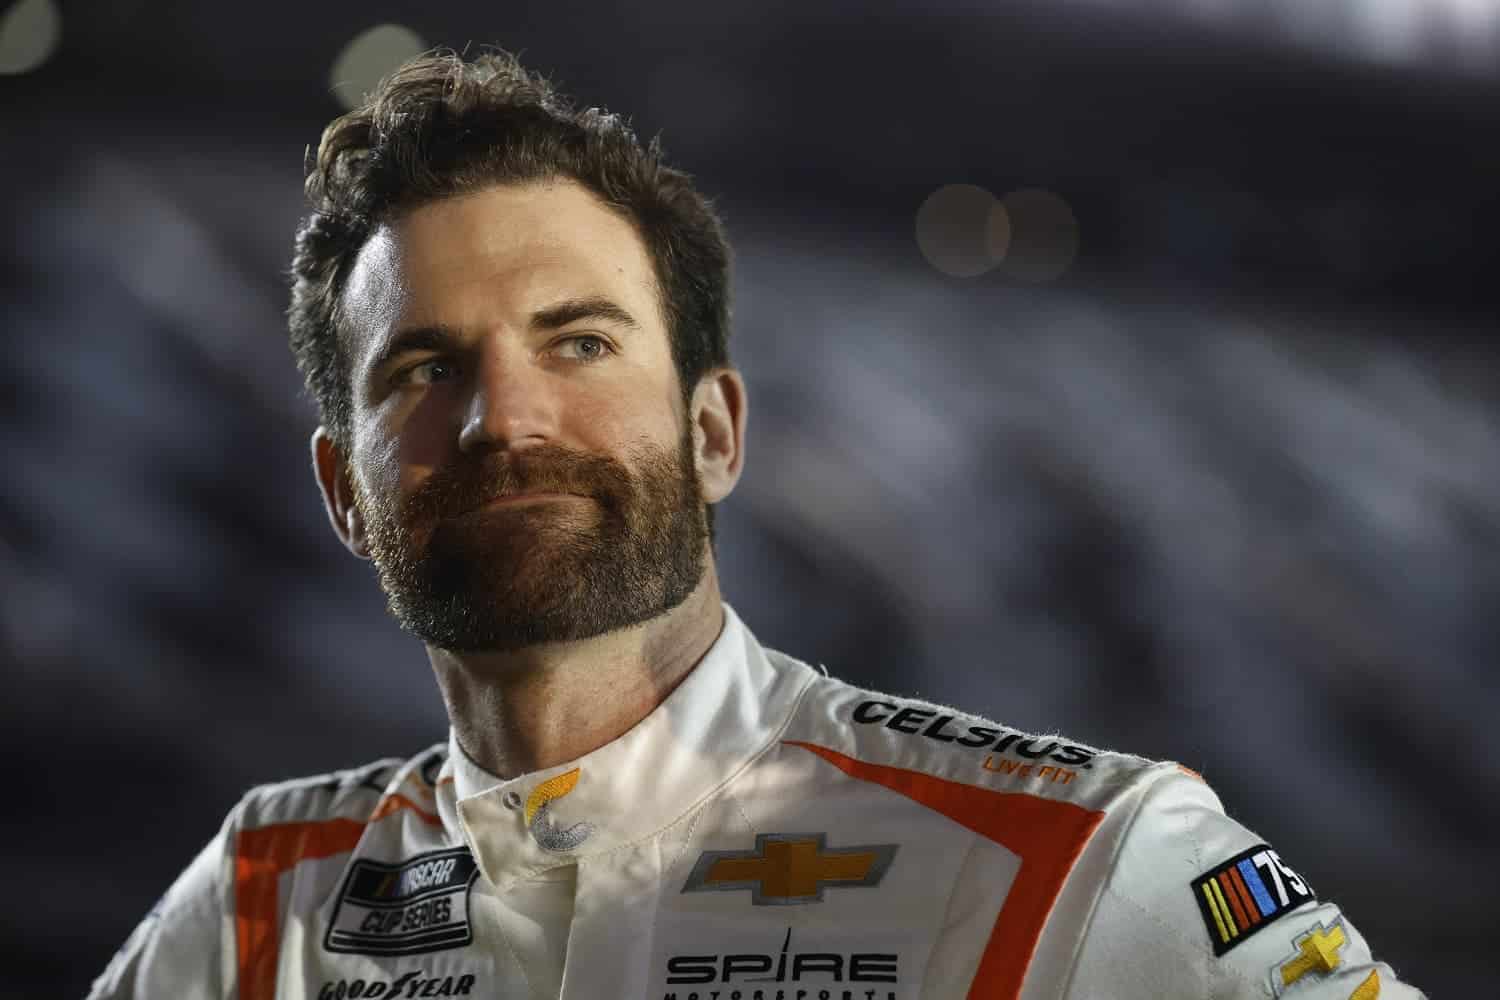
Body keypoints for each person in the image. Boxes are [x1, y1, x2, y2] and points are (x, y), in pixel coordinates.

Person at [89, 47, 1423, 1000]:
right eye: (424, 370)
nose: (505, 418)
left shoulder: (1086, 855)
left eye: (581, 342)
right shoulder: (263, 898)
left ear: (717, 432)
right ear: (341, 491)